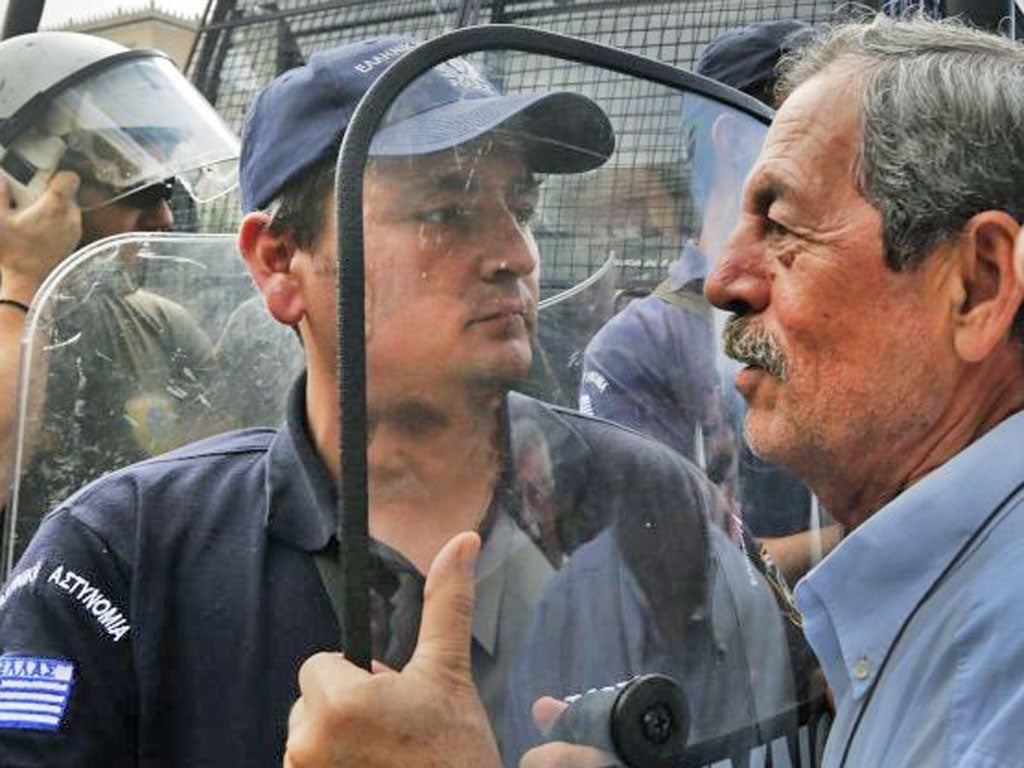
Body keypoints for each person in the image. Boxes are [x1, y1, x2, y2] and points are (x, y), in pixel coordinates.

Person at [0, 35, 782, 768]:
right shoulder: (120, 558)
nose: (516, 253)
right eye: (446, 211)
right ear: (279, 262)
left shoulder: (660, 508)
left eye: (522, 205)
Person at [282, 13, 1024, 768]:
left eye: (784, 225)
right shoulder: (917, 606)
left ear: (977, 284)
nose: (724, 279)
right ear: (279, 266)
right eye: (444, 213)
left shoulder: (997, 661)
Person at [578, 19, 840, 584]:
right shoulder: (638, 347)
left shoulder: (846, 298)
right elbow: (676, 567)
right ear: (735, 137)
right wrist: (873, 534)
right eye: (811, 120)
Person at [0, 31, 240, 534]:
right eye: (142, 189)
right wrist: (25, 281)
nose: (165, 217)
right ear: (34, 183)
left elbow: (221, 492)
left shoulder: (163, 328)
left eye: (168, 188)